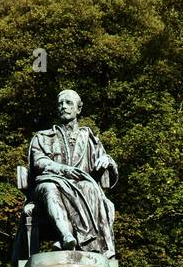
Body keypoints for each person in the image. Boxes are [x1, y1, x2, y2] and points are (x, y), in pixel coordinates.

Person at [28, 89, 119, 257]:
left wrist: (108, 160)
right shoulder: (42, 137)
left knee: (89, 188)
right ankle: (66, 236)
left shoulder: (90, 139)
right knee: (50, 186)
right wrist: (64, 170)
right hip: (48, 185)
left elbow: (110, 172)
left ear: (79, 109)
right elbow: (39, 162)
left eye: (68, 103)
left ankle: (75, 240)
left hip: (81, 187)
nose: (63, 106)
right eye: (60, 104)